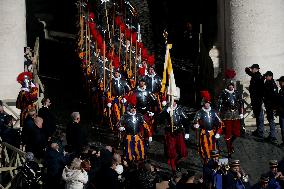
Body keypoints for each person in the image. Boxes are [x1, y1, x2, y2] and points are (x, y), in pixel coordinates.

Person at [160, 99, 189, 173]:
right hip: (169, 132)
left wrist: (187, 132)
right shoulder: (166, 109)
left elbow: (186, 120)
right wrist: (166, 112)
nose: (172, 103)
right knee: (171, 151)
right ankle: (173, 168)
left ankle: (177, 162)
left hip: (178, 132)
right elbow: (160, 119)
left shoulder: (179, 109)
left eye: (174, 101)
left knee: (183, 151)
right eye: (171, 101)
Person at [193, 91, 223, 163]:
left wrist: (218, 132)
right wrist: (195, 125)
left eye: (208, 103)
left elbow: (221, 123)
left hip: (212, 132)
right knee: (204, 148)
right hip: (204, 132)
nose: (207, 104)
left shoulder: (214, 112)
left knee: (214, 148)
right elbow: (194, 122)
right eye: (206, 103)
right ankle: (207, 163)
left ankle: (215, 163)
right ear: (203, 103)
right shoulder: (199, 112)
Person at [218, 81, 243, 157]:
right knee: (228, 133)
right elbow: (220, 104)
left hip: (235, 114)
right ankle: (229, 150)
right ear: (227, 86)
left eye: (232, 85)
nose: (231, 87)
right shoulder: (224, 93)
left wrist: (241, 112)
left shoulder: (237, 92)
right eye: (229, 86)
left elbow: (241, 103)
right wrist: (218, 116)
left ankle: (230, 143)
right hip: (227, 115)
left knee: (236, 133)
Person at [245, 64, 264, 138]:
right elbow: (251, 74)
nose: (251, 70)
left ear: (256, 69)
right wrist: (247, 71)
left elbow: (261, 89)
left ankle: (260, 131)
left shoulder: (258, 76)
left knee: (259, 115)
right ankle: (258, 130)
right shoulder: (256, 75)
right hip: (255, 98)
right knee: (257, 114)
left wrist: (259, 98)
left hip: (257, 98)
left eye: (252, 68)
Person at [263, 71, 278, 143]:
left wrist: (274, 106)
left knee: (271, 119)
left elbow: (273, 95)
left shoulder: (271, 83)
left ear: (270, 76)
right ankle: (272, 135)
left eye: (267, 76)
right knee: (270, 119)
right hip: (269, 104)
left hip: (271, 105)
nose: (266, 77)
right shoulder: (268, 82)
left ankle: (272, 135)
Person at [276, 76, 284, 145]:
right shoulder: (281, 90)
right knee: (282, 127)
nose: (279, 83)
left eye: (280, 82)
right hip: (281, 112)